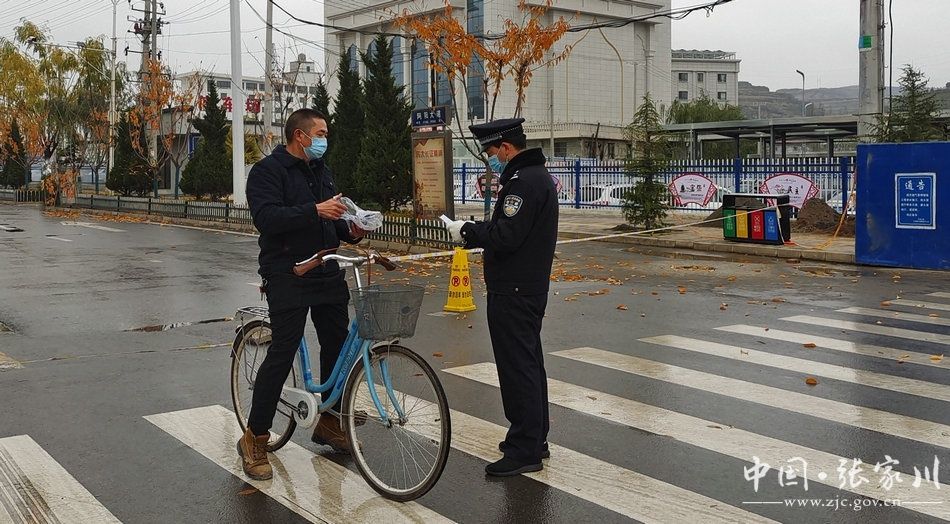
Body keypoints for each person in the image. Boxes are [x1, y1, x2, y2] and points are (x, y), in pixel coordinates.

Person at [237, 108, 364, 481]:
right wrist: (315, 211)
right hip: (287, 272)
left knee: (338, 347)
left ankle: (330, 421)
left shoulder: (320, 172)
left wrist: (352, 229)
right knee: (283, 349)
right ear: (301, 136)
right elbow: (268, 219)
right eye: (321, 132)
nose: (326, 138)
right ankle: (255, 437)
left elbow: (332, 220)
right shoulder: (267, 172)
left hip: (325, 270)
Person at [444, 118, 558, 477]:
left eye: (491, 152)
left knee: (517, 367)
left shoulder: (522, 183)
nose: (490, 158)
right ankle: (533, 437)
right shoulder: (533, 177)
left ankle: (525, 449)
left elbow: (507, 236)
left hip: (514, 289)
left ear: (506, 148)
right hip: (525, 286)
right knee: (529, 362)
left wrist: (467, 231)